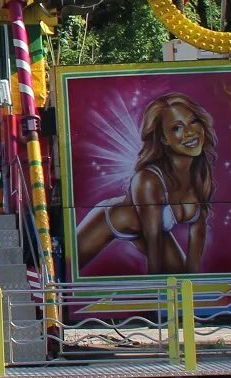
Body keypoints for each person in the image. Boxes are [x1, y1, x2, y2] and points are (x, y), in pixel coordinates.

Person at [71, 91, 216, 275]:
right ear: (164, 139)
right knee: (67, 267)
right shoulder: (149, 180)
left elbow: (198, 232)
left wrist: (194, 287)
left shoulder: (201, 174)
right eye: (176, 128)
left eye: (193, 121)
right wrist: (156, 292)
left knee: (179, 273)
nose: (189, 132)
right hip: (110, 220)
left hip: (152, 229)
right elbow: (153, 242)